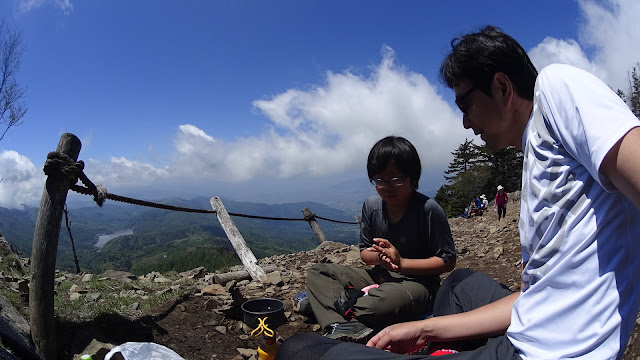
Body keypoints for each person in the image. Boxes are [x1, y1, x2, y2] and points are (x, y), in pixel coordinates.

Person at [275, 25, 640, 360]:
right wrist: (424, 328)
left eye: (465, 104)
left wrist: (403, 272)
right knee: (459, 285)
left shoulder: (557, 86)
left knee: (298, 350)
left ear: (502, 87)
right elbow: (538, 297)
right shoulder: (535, 157)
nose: (465, 121)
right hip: (532, 327)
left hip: (541, 351)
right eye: (379, 180)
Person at [304, 135, 456, 342]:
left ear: (412, 176)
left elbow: (447, 261)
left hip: (419, 285)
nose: (387, 186)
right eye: (379, 180)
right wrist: (380, 258)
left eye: (396, 179)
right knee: (318, 271)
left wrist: (401, 263)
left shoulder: (428, 210)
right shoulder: (372, 206)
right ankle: (339, 325)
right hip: (379, 275)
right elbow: (365, 252)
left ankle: (333, 304)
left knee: (373, 307)